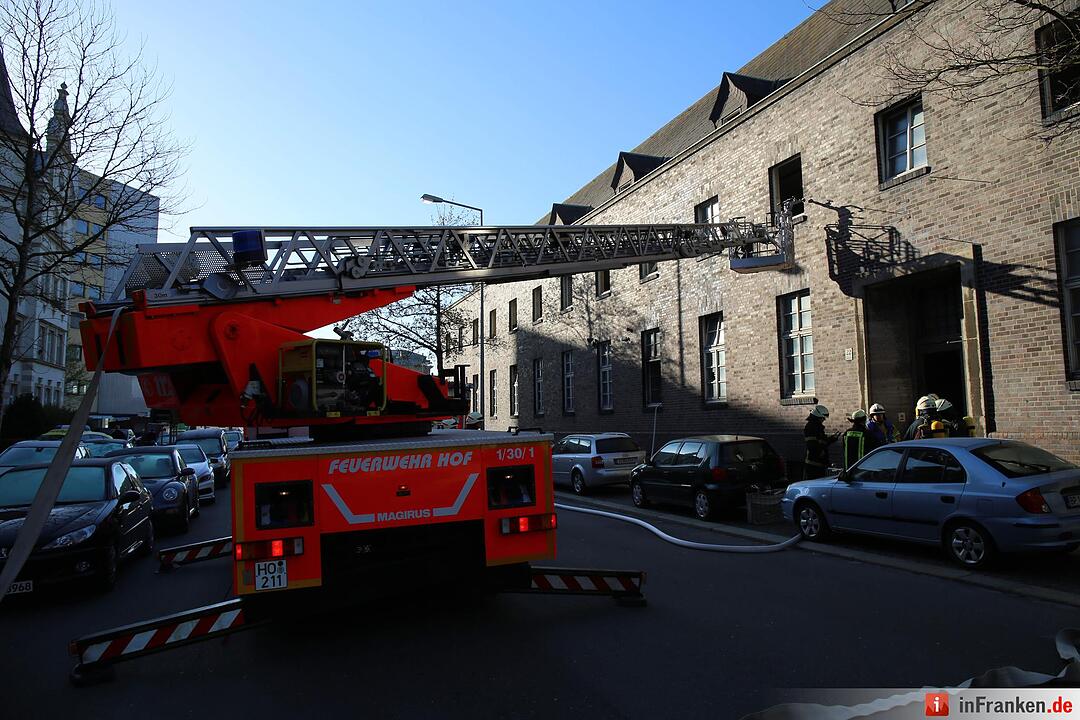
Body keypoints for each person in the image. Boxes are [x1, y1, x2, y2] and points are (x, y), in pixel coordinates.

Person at [803, 404, 839, 481]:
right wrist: (821, 454)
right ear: (817, 417)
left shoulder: (818, 428)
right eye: (823, 418)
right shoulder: (810, 427)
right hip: (813, 465)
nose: (823, 420)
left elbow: (822, 442)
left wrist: (831, 439)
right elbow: (812, 446)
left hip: (819, 464)